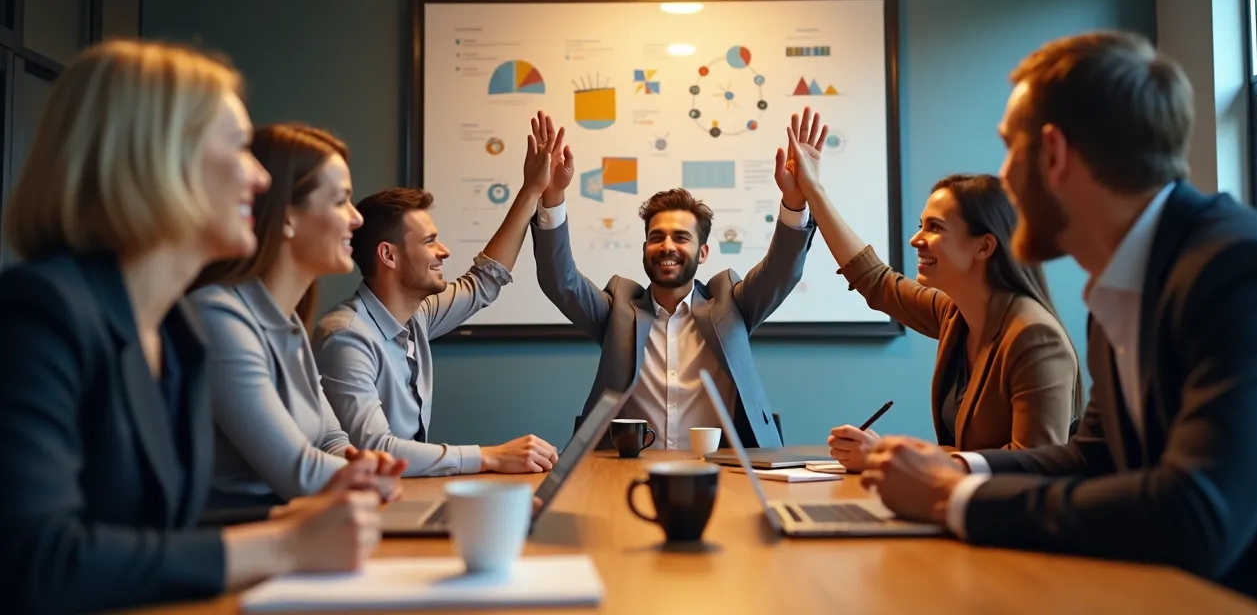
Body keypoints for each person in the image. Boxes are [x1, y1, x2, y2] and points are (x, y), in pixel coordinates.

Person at [860, 31, 1257, 614]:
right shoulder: (1125, 282)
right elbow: (1089, 457)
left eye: (1009, 148)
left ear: (1053, 154)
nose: (1004, 178)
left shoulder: (1244, 271)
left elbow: (1197, 514)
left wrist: (953, 495)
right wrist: (955, 465)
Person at [0, 39, 390, 613]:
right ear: (157, 159)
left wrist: (293, 521)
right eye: (239, 147)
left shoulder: (177, 330)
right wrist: (283, 543)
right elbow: (38, 563)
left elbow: (158, 533)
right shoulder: (40, 314)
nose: (261, 178)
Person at [782, 109, 1081, 472]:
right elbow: (873, 280)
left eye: (935, 228)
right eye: (921, 225)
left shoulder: (1035, 338)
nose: (916, 239)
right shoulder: (956, 314)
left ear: (984, 247)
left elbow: (1035, 464)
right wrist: (812, 191)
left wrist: (892, 457)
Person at [530, 123, 816, 450]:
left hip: (724, 469)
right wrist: (553, 195)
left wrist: (795, 202)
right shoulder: (617, 311)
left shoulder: (732, 306)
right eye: (656, 237)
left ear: (702, 252)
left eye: (681, 237)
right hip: (624, 471)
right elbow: (560, 280)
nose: (667, 246)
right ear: (645, 249)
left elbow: (780, 271)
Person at [313, 112, 562, 476]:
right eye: (429, 241)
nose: (444, 251)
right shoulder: (347, 337)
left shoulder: (418, 315)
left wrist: (533, 189)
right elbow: (375, 448)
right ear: (389, 255)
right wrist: (490, 457)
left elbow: (484, 281)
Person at [190, 122, 407, 509]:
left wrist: (361, 465)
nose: (357, 219)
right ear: (287, 217)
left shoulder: (287, 322)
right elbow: (299, 473)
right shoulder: (220, 317)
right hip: (250, 538)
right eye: (340, 201)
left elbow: (330, 439)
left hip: (304, 526)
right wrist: (366, 476)